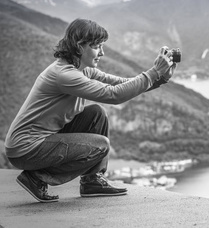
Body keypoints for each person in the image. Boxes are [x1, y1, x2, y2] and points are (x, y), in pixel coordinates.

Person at [4, 18, 177, 203]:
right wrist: (153, 72)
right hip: (26, 148)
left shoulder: (82, 70)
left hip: (42, 140)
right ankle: (37, 178)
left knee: (96, 113)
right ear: (79, 46)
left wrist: (160, 78)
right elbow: (114, 95)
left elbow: (122, 84)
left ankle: (92, 181)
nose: (102, 52)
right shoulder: (65, 75)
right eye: (97, 46)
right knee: (100, 145)